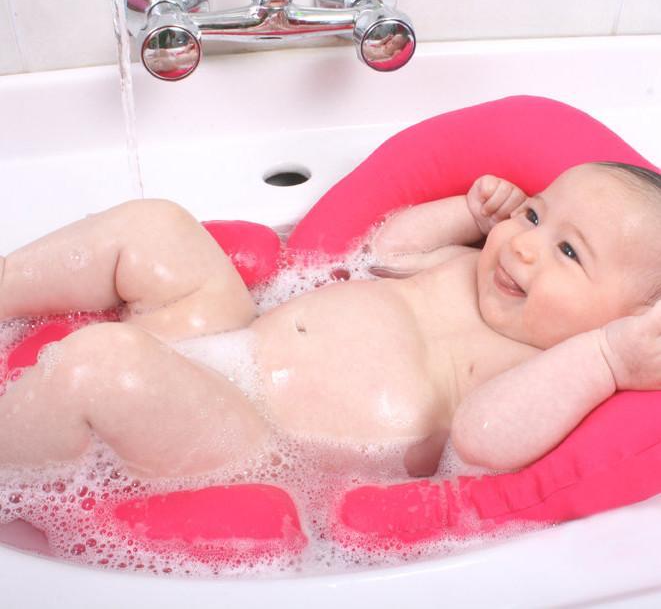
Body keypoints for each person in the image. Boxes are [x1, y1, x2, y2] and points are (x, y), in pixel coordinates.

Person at [0, 162, 659, 478]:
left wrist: (607, 358)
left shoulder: (545, 368)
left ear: (632, 316)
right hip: (232, 339)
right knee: (158, 225)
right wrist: (469, 213)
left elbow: (480, 441)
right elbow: (386, 250)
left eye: (569, 252)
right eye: (534, 214)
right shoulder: (467, 264)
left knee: (102, 364)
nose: (524, 245)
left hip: (251, 437)